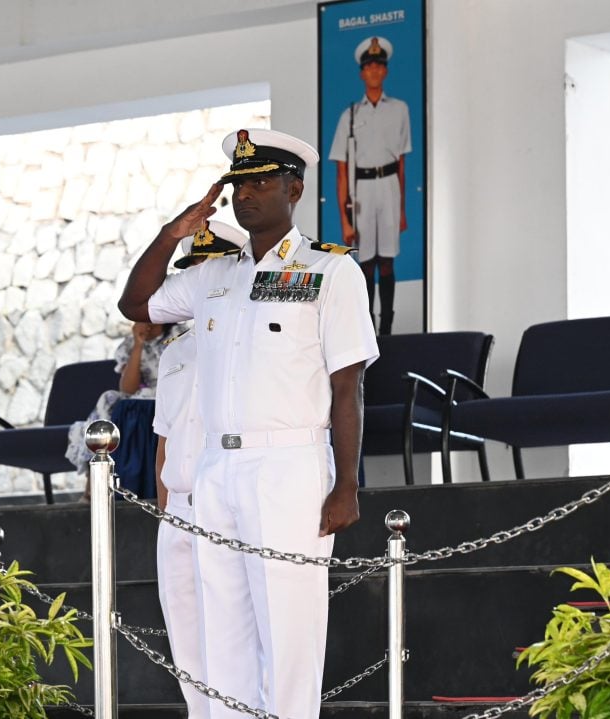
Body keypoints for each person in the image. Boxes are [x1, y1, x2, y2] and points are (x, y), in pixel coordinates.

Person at [118, 128, 379, 719]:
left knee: (289, 628)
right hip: (218, 468)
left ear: (295, 188)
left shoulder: (329, 272)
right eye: (239, 184)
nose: (247, 194)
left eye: (262, 181)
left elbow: (347, 386)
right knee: (224, 628)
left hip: (289, 466)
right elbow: (137, 306)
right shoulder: (215, 275)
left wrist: (346, 484)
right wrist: (172, 234)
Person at [153, 219, 246, 719]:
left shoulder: (243, 345)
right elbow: (163, 442)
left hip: (224, 501)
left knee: (231, 632)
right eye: (191, 273)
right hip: (179, 509)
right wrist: (165, 515)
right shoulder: (175, 353)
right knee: (186, 635)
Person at [328, 35, 412, 335]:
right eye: (369, 66)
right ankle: (366, 329)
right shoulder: (349, 116)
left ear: (385, 71)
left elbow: (401, 163)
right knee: (364, 263)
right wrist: (345, 220)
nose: (374, 71)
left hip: (389, 186)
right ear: (362, 73)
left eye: (379, 65)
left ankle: (387, 327)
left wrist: (401, 210)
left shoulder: (400, 109)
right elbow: (341, 170)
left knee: (387, 261)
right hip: (361, 190)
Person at [64, 319, 181, 498]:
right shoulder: (131, 343)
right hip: (144, 397)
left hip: (175, 393)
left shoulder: (179, 335)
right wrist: (138, 344)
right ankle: (94, 478)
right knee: (109, 399)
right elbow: (127, 388)